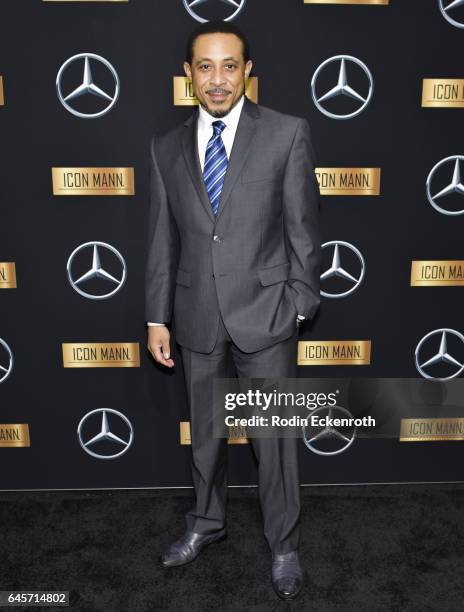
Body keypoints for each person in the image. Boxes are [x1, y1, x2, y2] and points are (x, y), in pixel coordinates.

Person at [145, 20, 321, 600]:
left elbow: (303, 232)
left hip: (267, 316)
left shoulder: (287, 134)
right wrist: (156, 316)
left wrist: (298, 304)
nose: (217, 79)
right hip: (195, 316)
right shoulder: (165, 147)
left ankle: (285, 545)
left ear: (247, 71)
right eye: (204, 66)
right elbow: (162, 241)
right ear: (188, 75)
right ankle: (207, 524)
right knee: (205, 439)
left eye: (228, 66)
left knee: (275, 443)